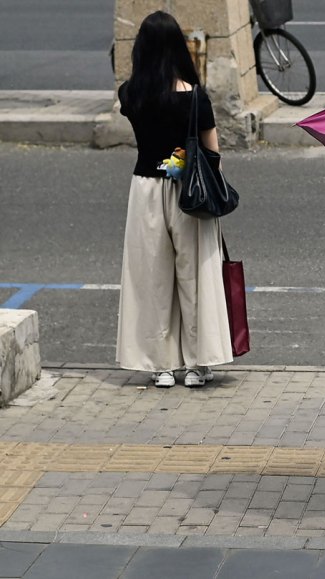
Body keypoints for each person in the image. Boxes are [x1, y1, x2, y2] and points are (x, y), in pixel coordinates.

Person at [116, 11, 232, 388]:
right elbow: (214, 152)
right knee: (195, 274)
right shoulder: (195, 97)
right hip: (189, 191)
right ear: (179, 49)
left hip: (145, 189)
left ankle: (161, 365)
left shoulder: (130, 94)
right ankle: (199, 364)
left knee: (151, 277)